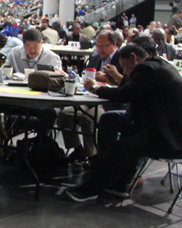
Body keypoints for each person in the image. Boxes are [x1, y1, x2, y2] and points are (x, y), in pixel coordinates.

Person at [66, 44, 182, 201]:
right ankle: (118, 184)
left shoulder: (145, 69)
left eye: (124, 67)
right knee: (123, 129)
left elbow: (124, 94)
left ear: (133, 58)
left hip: (167, 137)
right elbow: (135, 89)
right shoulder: (160, 65)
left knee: (122, 147)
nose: (125, 72)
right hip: (169, 128)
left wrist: (95, 89)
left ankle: (93, 188)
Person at [56, 31, 124, 164]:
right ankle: (77, 149)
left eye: (104, 46)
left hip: (109, 102)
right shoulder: (95, 57)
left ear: (114, 44)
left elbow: (125, 82)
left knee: (87, 118)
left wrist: (108, 80)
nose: (100, 49)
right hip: (91, 96)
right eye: (97, 46)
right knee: (64, 114)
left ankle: (93, 157)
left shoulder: (122, 59)